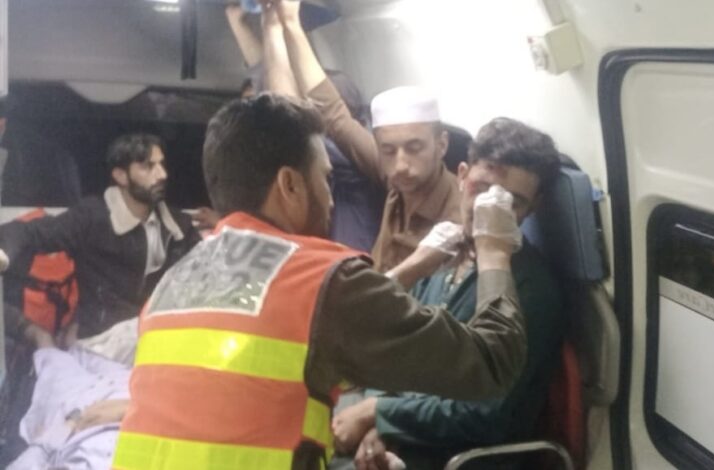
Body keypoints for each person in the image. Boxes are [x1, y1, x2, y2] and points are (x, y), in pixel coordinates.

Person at [113, 94, 529, 470]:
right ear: (290, 185)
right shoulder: (324, 281)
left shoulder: (174, 281)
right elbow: (492, 363)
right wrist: (493, 250)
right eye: (326, 180)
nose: (331, 199)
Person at [331, 118, 566, 470]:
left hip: (456, 454)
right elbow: (396, 345)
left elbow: (485, 415)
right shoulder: (441, 255)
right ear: (461, 176)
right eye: (481, 189)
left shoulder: (532, 290)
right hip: (406, 434)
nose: (488, 209)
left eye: (510, 203)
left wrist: (379, 413)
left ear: (533, 207)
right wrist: (379, 423)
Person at [269, 0, 459, 271]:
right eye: (388, 151)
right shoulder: (396, 179)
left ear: (442, 144)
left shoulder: (458, 215)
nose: (400, 165)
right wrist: (289, 23)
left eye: (414, 148)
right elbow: (334, 115)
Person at [0, 133, 201, 344]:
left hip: (155, 335)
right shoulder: (92, 217)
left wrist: (219, 221)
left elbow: (208, 267)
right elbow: (30, 232)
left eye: (161, 164)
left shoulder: (177, 225)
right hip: (101, 340)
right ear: (121, 176)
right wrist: (4, 253)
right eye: (148, 167)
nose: (162, 174)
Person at [221, 1, 385, 252]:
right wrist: (257, 22)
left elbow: (289, 119)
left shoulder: (353, 163)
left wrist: (279, 25)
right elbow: (273, 92)